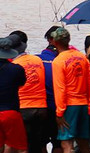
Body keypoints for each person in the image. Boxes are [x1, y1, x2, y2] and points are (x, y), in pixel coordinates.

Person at [50, 28, 90, 153]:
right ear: (69, 40)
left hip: (69, 106)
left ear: (55, 42)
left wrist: (59, 113)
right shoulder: (82, 57)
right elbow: (89, 80)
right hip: (84, 104)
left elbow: (60, 88)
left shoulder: (58, 61)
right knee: (83, 143)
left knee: (66, 144)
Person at [9, 31, 48, 153]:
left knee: (23, 145)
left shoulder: (14, 65)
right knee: (37, 144)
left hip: (24, 107)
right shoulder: (37, 60)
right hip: (41, 108)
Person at [38, 25, 64, 153]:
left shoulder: (35, 60)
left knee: (41, 143)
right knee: (58, 143)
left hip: (39, 109)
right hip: (58, 109)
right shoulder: (62, 61)